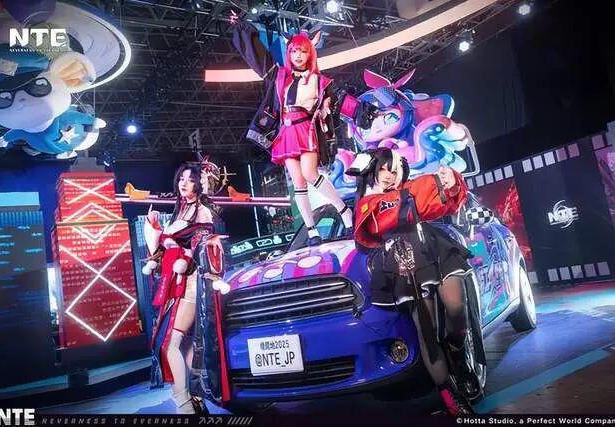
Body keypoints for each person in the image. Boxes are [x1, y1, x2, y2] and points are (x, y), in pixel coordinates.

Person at [349, 147, 480, 415]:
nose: (389, 175)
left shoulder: (412, 188)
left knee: (457, 308)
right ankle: (451, 397)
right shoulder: (367, 203)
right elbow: (379, 223)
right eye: (383, 169)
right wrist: (415, 194)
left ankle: (457, 353)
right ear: (372, 171)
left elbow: (445, 202)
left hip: (435, 250)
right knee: (427, 332)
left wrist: (451, 182)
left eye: (394, 169)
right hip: (403, 263)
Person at [232, 19, 377, 246]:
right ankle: (311, 231)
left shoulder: (320, 81)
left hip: (306, 130)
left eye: (303, 51)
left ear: (310, 53)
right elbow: (260, 59)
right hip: (285, 133)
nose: (298, 56)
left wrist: (365, 111)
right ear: (289, 53)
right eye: (294, 51)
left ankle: (344, 211)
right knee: (298, 182)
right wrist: (241, 28)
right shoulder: (280, 76)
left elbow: (341, 101)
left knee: (310, 174)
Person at [142, 162, 228, 414]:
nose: (184, 183)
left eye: (190, 179)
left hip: (192, 283)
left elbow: (206, 243)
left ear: (200, 184)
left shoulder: (202, 211)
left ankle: (184, 405)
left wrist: (186, 257)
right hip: (174, 283)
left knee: (170, 342)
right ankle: (198, 400)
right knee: (187, 344)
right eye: (181, 178)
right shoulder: (179, 211)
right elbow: (168, 248)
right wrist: (155, 231)